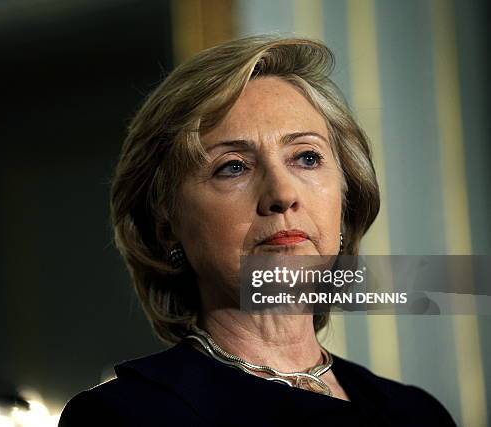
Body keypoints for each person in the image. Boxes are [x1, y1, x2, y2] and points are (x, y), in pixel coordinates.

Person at [58, 35, 457, 426]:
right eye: (233, 166)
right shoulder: (121, 417)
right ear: (166, 224)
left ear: (346, 197)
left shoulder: (418, 413)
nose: (282, 194)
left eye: (306, 157)